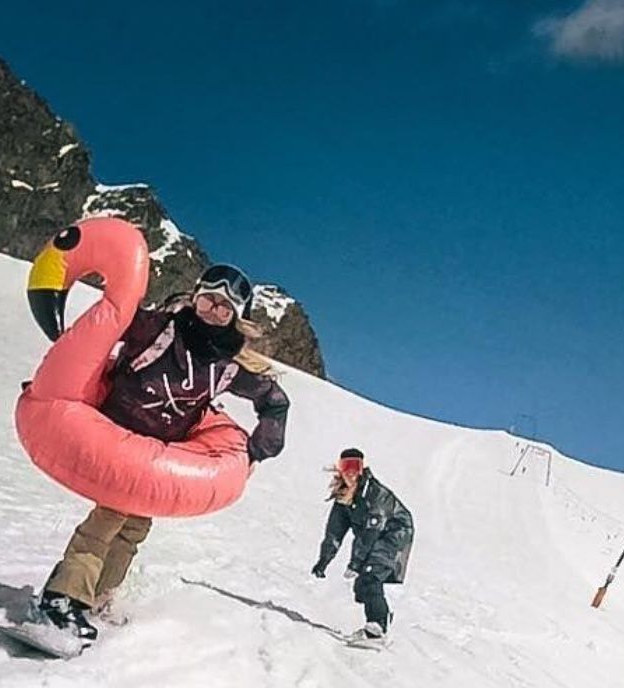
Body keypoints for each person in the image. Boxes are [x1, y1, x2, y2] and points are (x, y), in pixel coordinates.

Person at [37, 264, 290, 641]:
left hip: (155, 453)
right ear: (194, 298)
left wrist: (256, 451)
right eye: (207, 300)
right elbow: (106, 325)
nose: (212, 311)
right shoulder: (157, 329)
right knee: (108, 519)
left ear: (236, 318)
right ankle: (61, 600)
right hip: (112, 433)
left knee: (134, 527)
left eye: (224, 308)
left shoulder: (228, 368)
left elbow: (274, 401)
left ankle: (96, 599)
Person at [311, 449, 414, 643]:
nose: (350, 472)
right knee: (362, 587)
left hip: (395, 532)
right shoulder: (343, 498)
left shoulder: (375, 494)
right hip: (375, 536)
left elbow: (370, 533)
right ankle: (381, 618)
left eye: (355, 466)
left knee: (370, 575)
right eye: (346, 466)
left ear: (362, 468)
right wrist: (324, 560)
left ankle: (377, 628)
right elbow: (334, 533)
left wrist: (355, 564)